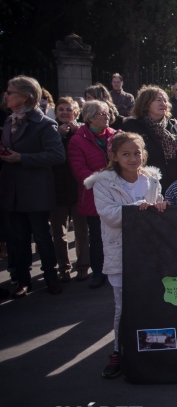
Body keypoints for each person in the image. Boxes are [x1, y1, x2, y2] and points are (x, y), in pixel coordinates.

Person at [84, 132, 162, 378]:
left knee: (149, 302)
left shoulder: (151, 180)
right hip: (119, 252)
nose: (132, 158)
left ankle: (149, 348)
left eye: (137, 153)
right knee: (123, 305)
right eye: (126, 154)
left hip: (147, 252)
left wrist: (159, 206)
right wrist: (140, 209)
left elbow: (158, 209)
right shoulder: (103, 182)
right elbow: (109, 215)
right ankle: (118, 350)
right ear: (114, 156)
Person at [1, 75, 66, 296]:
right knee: (17, 239)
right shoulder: (9, 121)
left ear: (25, 97)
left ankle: (51, 277)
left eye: (10, 92)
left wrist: (23, 158)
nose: (6, 96)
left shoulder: (45, 124)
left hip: (36, 191)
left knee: (41, 237)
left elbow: (57, 155)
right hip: (13, 191)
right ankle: (22, 280)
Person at [68, 100, 118, 288]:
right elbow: (79, 170)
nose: (106, 117)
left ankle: (118, 270)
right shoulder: (77, 140)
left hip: (118, 194)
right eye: (101, 114)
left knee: (118, 236)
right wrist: (107, 180)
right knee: (97, 237)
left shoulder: (116, 136)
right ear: (89, 117)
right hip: (93, 196)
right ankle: (99, 272)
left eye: (107, 113)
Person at [50, 96, 90, 282]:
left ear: (76, 112)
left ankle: (82, 265)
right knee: (59, 232)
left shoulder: (83, 131)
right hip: (56, 188)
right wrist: (58, 135)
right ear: (56, 112)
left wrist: (77, 134)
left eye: (69, 110)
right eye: (61, 110)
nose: (65, 113)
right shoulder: (49, 129)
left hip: (78, 188)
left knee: (81, 230)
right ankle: (63, 267)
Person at [121, 85, 177, 189]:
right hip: (144, 184)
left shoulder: (175, 127)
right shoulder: (132, 127)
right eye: (158, 100)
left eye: (165, 101)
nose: (163, 103)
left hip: (173, 186)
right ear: (145, 104)